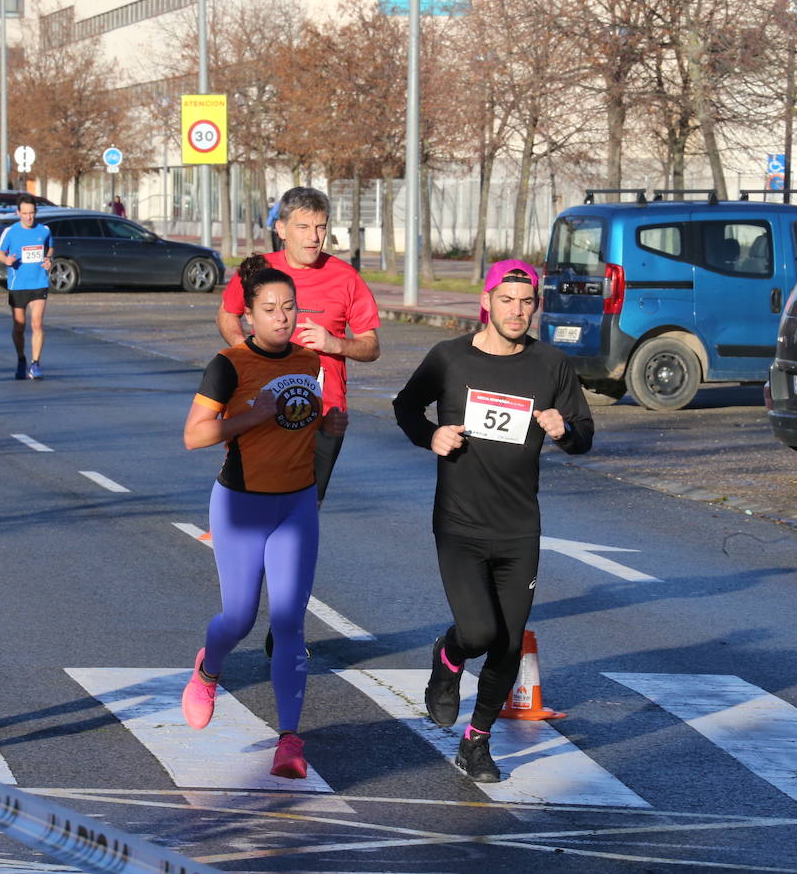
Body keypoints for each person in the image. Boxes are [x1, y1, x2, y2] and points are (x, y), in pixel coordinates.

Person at [392, 260, 594, 783]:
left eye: (526, 302)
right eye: (507, 300)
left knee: (508, 642)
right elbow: (406, 406)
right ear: (486, 302)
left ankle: (477, 742)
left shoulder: (551, 364)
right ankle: (448, 656)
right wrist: (431, 436)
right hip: (459, 522)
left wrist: (563, 430)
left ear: (536, 307)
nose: (516, 311)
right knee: (479, 631)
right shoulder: (450, 357)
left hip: (519, 526)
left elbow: (584, 435)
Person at [181, 255, 348, 780]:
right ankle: (209, 670)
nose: (282, 316)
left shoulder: (309, 360)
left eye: (289, 306)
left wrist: (328, 428)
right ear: (249, 315)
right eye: (270, 308)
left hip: (295, 505)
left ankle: (289, 739)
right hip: (241, 504)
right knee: (239, 617)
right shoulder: (228, 364)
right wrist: (252, 415)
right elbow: (194, 435)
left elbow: (301, 423)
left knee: (290, 622)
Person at [219, 187, 380, 503]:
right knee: (248, 503)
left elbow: (371, 347)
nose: (314, 237)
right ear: (281, 229)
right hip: (258, 406)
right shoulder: (257, 269)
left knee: (304, 509)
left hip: (322, 413)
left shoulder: (346, 278)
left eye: (321, 227)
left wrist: (335, 344)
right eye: (303, 227)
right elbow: (227, 314)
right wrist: (245, 352)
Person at [0, 195, 53, 380]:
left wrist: (48, 259)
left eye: (32, 213)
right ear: (18, 212)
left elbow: (50, 248)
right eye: (25, 213)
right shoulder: (10, 231)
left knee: (37, 324)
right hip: (17, 285)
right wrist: (6, 260)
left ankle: (35, 364)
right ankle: (21, 359)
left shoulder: (44, 230)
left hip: (39, 282)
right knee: (19, 326)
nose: (29, 217)